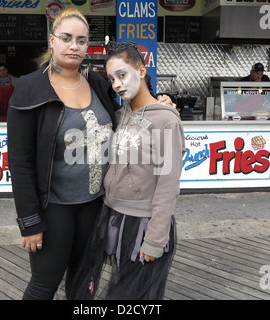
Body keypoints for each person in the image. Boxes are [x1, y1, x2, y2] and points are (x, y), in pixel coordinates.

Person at [7, 9, 174, 300]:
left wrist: (161, 103)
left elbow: (132, 109)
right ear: (52, 41)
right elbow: (20, 163)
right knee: (44, 283)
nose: (74, 46)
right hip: (53, 206)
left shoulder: (98, 83)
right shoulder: (29, 88)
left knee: (85, 281)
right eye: (67, 38)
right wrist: (29, 221)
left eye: (81, 40)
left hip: (95, 206)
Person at [71, 41, 185, 300]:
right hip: (113, 216)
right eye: (112, 79)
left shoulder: (166, 119)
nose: (117, 84)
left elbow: (168, 183)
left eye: (122, 75)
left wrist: (155, 238)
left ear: (142, 71)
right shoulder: (121, 114)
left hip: (143, 223)